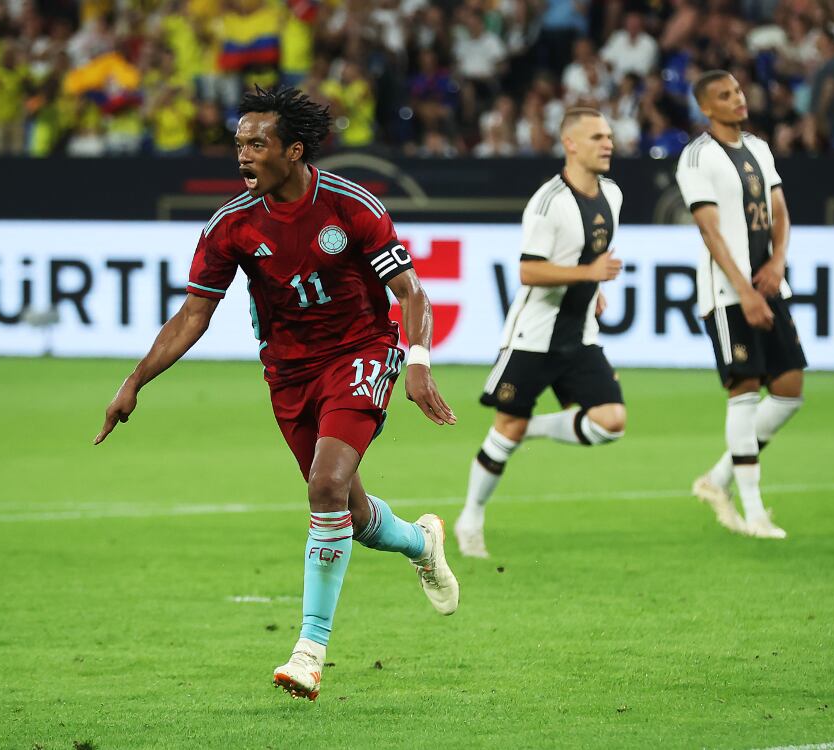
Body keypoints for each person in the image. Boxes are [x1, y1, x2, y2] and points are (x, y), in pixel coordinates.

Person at [93, 86, 460, 701]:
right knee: (352, 513)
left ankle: (309, 652)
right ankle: (420, 542)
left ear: (292, 151)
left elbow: (413, 294)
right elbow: (192, 316)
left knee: (324, 485)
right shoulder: (232, 225)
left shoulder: (351, 207)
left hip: (361, 352)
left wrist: (417, 363)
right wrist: (133, 382)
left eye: (256, 144)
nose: (243, 155)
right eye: (238, 144)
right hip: (288, 375)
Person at [455, 107, 626, 559]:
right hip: (533, 337)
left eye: (608, 136)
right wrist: (587, 272)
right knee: (503, 431)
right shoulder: (548, 202)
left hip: (580, 335)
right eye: (596, 137)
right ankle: (470, 517)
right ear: (570, 144)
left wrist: (594, 287)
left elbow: (595, 250)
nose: (607, 143)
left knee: (611, 422)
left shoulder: (613, 193)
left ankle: (532, 427)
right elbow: (529, 270)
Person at [676, 71, 806, 540]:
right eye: (725, 95)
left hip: (769, 284)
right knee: (745, 390)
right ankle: (754, 513)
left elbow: (780, 210)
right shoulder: (696, 158)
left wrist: (777, 263)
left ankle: (716, 480)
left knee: (790, 390)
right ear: (706, 109)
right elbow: (710, 230)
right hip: (728, 294)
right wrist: (745, 290)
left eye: (738, 91)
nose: (738, 99)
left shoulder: (759, 148)